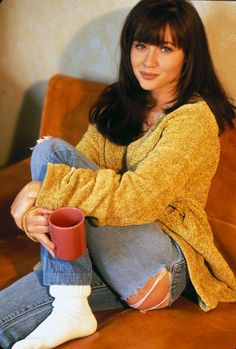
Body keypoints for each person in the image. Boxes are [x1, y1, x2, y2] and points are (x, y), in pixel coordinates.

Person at [1, 0, 236, 348]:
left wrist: (42, 188)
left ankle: (70, 304)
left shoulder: (193, 118)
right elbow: (75, 190)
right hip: (103, 261)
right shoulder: (118, 104)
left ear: (188, 55)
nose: (147, 60)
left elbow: (136, 200)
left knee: (50, 151)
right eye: (141, 45)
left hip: (160, 263)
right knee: (4, 317)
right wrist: (35, 219)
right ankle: (71, 304)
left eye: (165, 48)